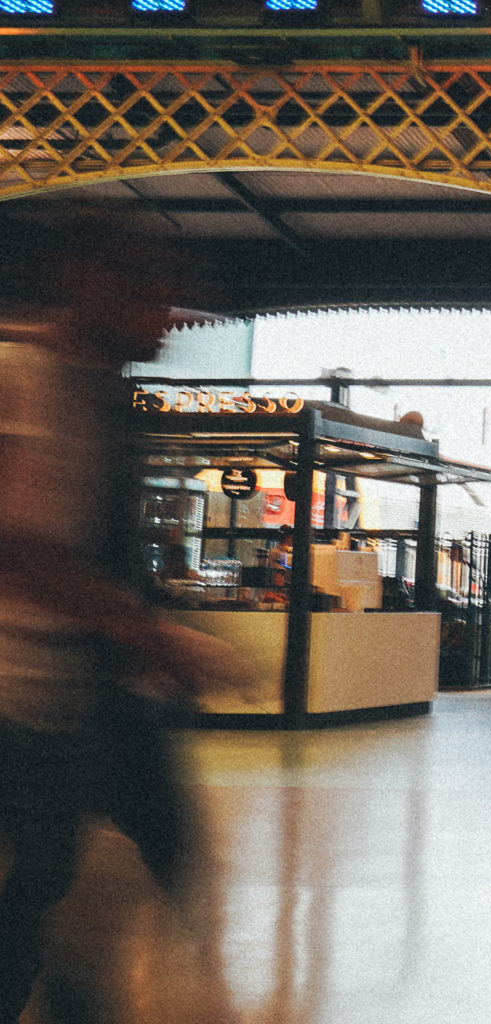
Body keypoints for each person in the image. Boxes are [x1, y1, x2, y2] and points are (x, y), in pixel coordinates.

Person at [0, 213, 244, 1021]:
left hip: (84, 687)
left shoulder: (102, 398)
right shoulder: (23, 378)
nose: (166, 314)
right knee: (39, 890)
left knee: (118, 863)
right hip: (22, 691)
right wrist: (153, 634)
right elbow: (23, 549)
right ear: (83, 281)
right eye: (145, 291)